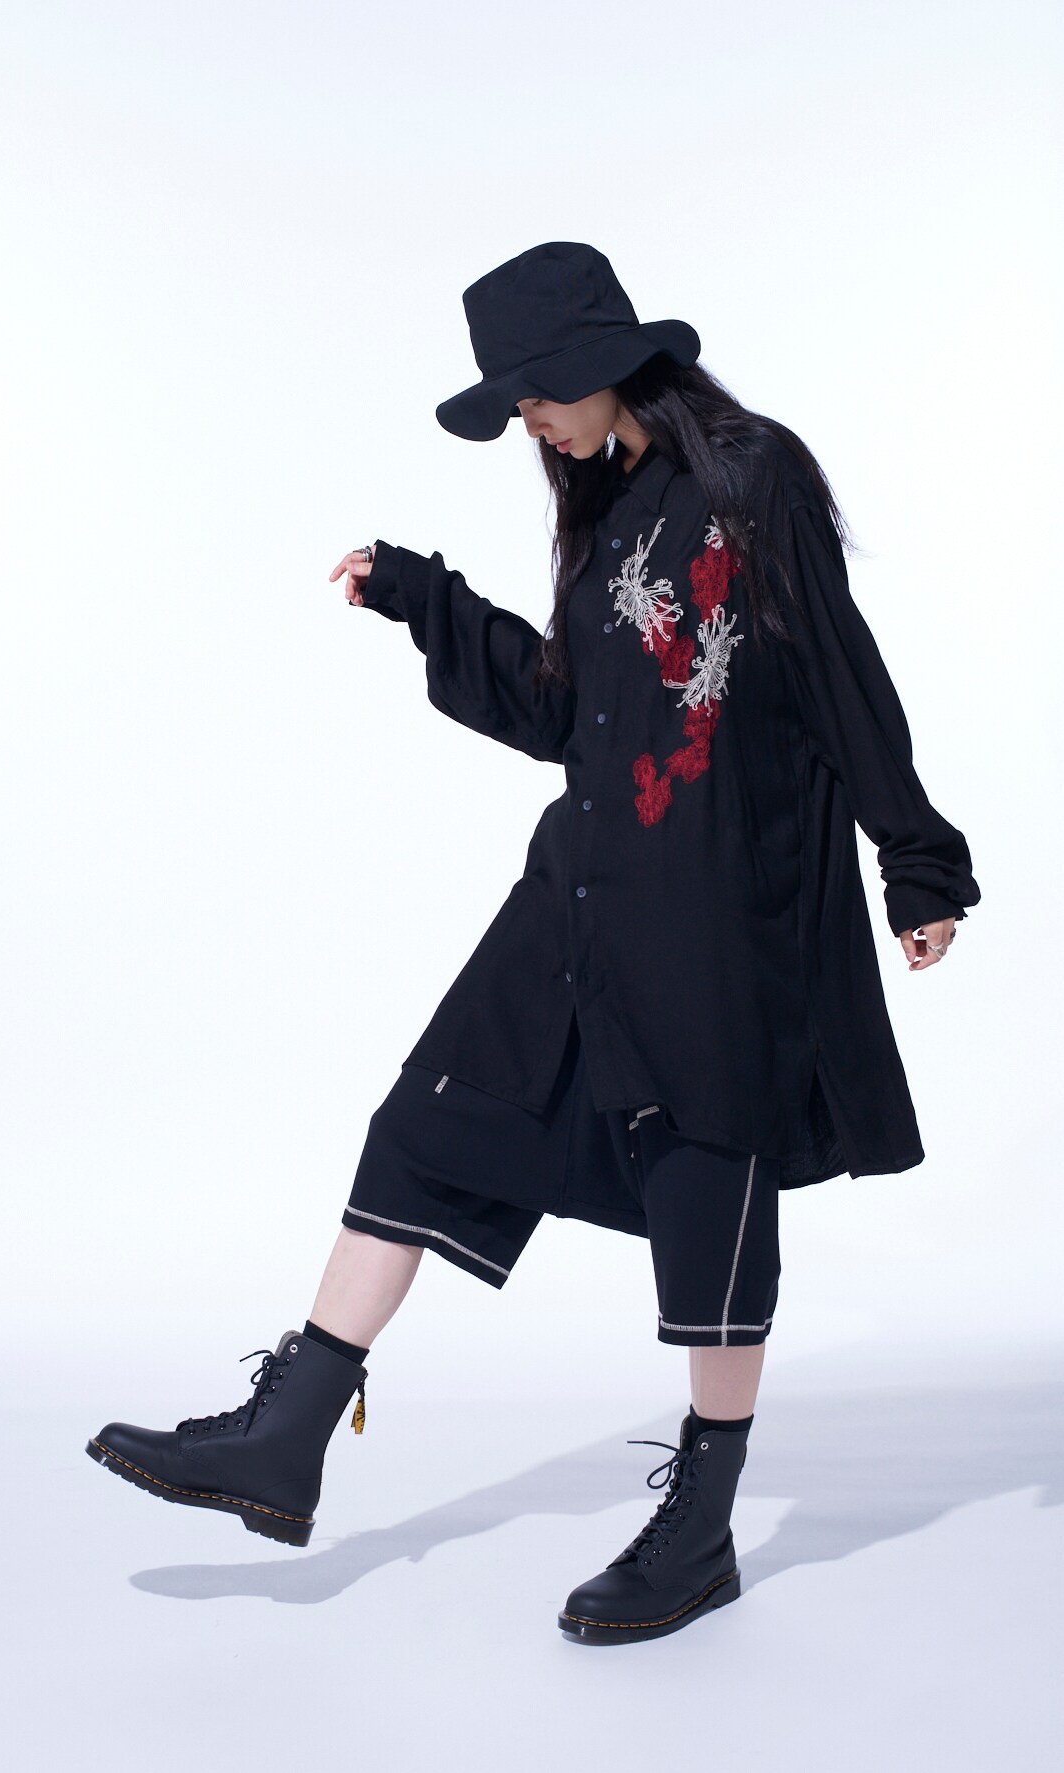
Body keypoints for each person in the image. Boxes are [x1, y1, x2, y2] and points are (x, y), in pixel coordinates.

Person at [86, 241, 980, 1645]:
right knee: (428, 1119)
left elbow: (836, 665)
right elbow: (573, 713)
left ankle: (702, 1526)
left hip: (719, 902)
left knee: (709, 1186)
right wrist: (427, 602)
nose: (528, 425)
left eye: (533, 395)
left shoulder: (752, 477)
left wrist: (915, 855)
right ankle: (288, 1432)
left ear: (600, 363)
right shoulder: (606, 510)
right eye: (512, 405)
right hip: (581, 890)